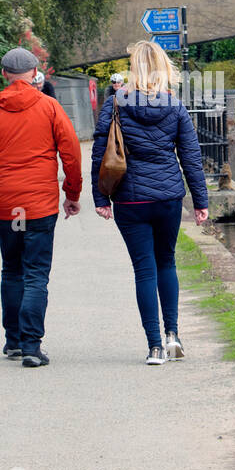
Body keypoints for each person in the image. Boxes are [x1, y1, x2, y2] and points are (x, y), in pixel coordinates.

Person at [91, 40, 209, 365]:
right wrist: (201, 201)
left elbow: (101, 152)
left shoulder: (115, 104)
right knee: (166, 263)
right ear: (163, 68)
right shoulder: (175, 106)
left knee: (144, 270)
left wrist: (100, 197)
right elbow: (191, 158)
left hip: (130, 199)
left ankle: (154, 347)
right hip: (168, 196)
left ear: (134, 69)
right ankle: (173, 337)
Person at [0, 47, 82, 368]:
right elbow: (71, 153)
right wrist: (72, 193)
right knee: (36, 275)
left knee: (12, 270)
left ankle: (14, 340)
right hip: (40, 206)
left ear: (4, 74)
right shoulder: (50, 108)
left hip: (7, 207)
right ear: (34, 74)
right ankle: (31, 345)